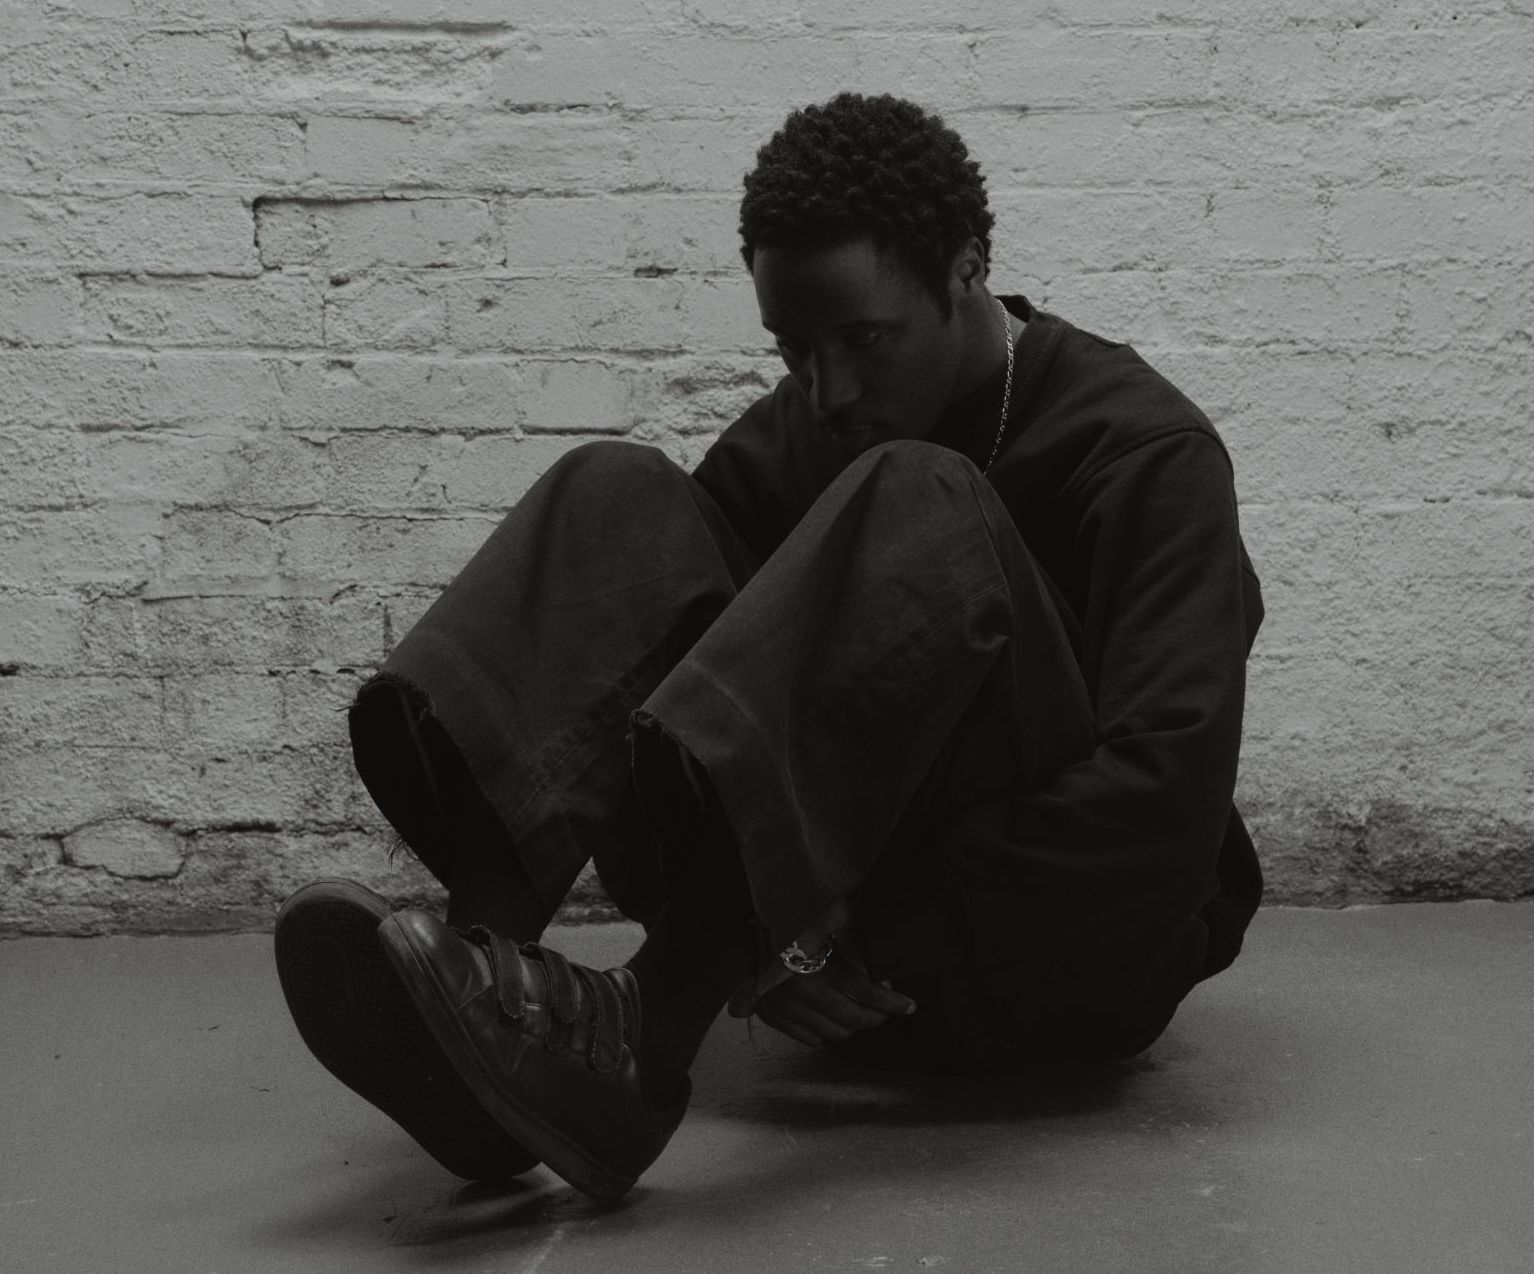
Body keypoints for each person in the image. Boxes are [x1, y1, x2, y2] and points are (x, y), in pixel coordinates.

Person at [274, 92, 1264, 1202]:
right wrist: (781, 930)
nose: (829, 390)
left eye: (862, 340)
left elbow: (1163, 806)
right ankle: (483, 993)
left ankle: (644, 1042)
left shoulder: (1142, 451)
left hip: (1053, 965)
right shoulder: (816, 424)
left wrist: (824, 925)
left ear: (967, 267)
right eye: (794, 350)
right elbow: (663, 686)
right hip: (825, 973)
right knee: (618, 495)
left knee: (922, 495)